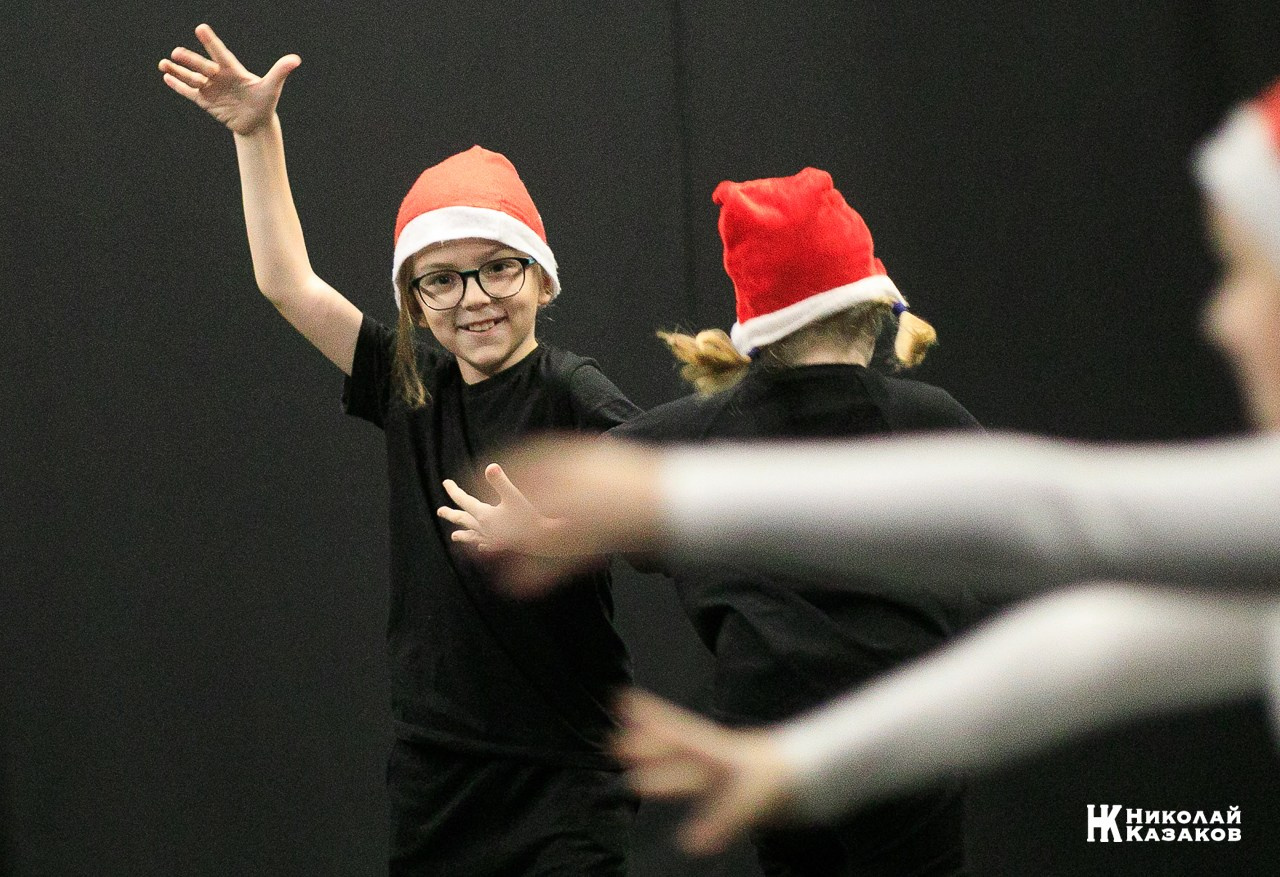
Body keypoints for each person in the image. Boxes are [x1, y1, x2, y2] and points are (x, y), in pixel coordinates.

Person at [470, 77, 1280, 852]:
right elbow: (1093, 637)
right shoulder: (894, 419)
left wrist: (670, 500)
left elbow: (1045, 514)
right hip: (820, 759)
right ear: (871, 307)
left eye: (1248, 271)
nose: (1221, 317)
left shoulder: (748, 432)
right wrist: (800, 764)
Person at [158, 24, 641, 876]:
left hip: (565, 772)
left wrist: (552, 535)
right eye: (440, 280)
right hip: (439, 774)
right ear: (414, 301)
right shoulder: (409, 382)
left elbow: (658, 500)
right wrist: (257, 135)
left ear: (541, 277)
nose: (474, 298)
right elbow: (287, 283)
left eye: (498, 268)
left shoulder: (572, 389)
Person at [443, 168, 981, 876]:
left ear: (758, 331)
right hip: (906, 726)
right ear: (873, 309)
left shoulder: (688, 434)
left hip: (770, 736)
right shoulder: (932, 418)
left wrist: (536, 529)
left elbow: (596, 502)